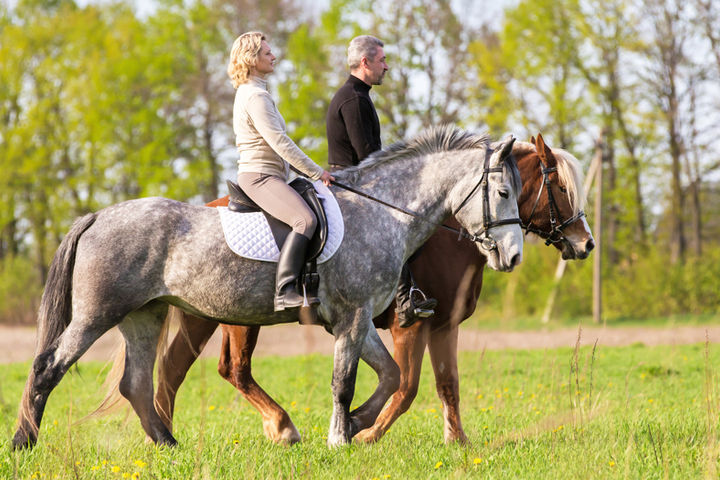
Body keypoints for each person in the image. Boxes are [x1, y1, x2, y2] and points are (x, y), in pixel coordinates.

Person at [325, 35, 435, 328]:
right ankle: (404, 299)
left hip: (355, 181)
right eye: (382, 60)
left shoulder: (359, 96)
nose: (386, 67)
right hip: (351, 186)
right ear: (365, 62)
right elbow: (368, 158)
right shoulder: (354, 100)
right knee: (402, 223)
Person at [228, 31, 334, 312]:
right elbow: (279, 142)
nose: (273, 56)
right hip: (260, 177)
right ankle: (285, 290)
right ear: (252, 60)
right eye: (267, 53)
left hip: (270, 175)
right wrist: (315, 171)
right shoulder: (255, 97)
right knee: (305, 221)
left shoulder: (254, 93)